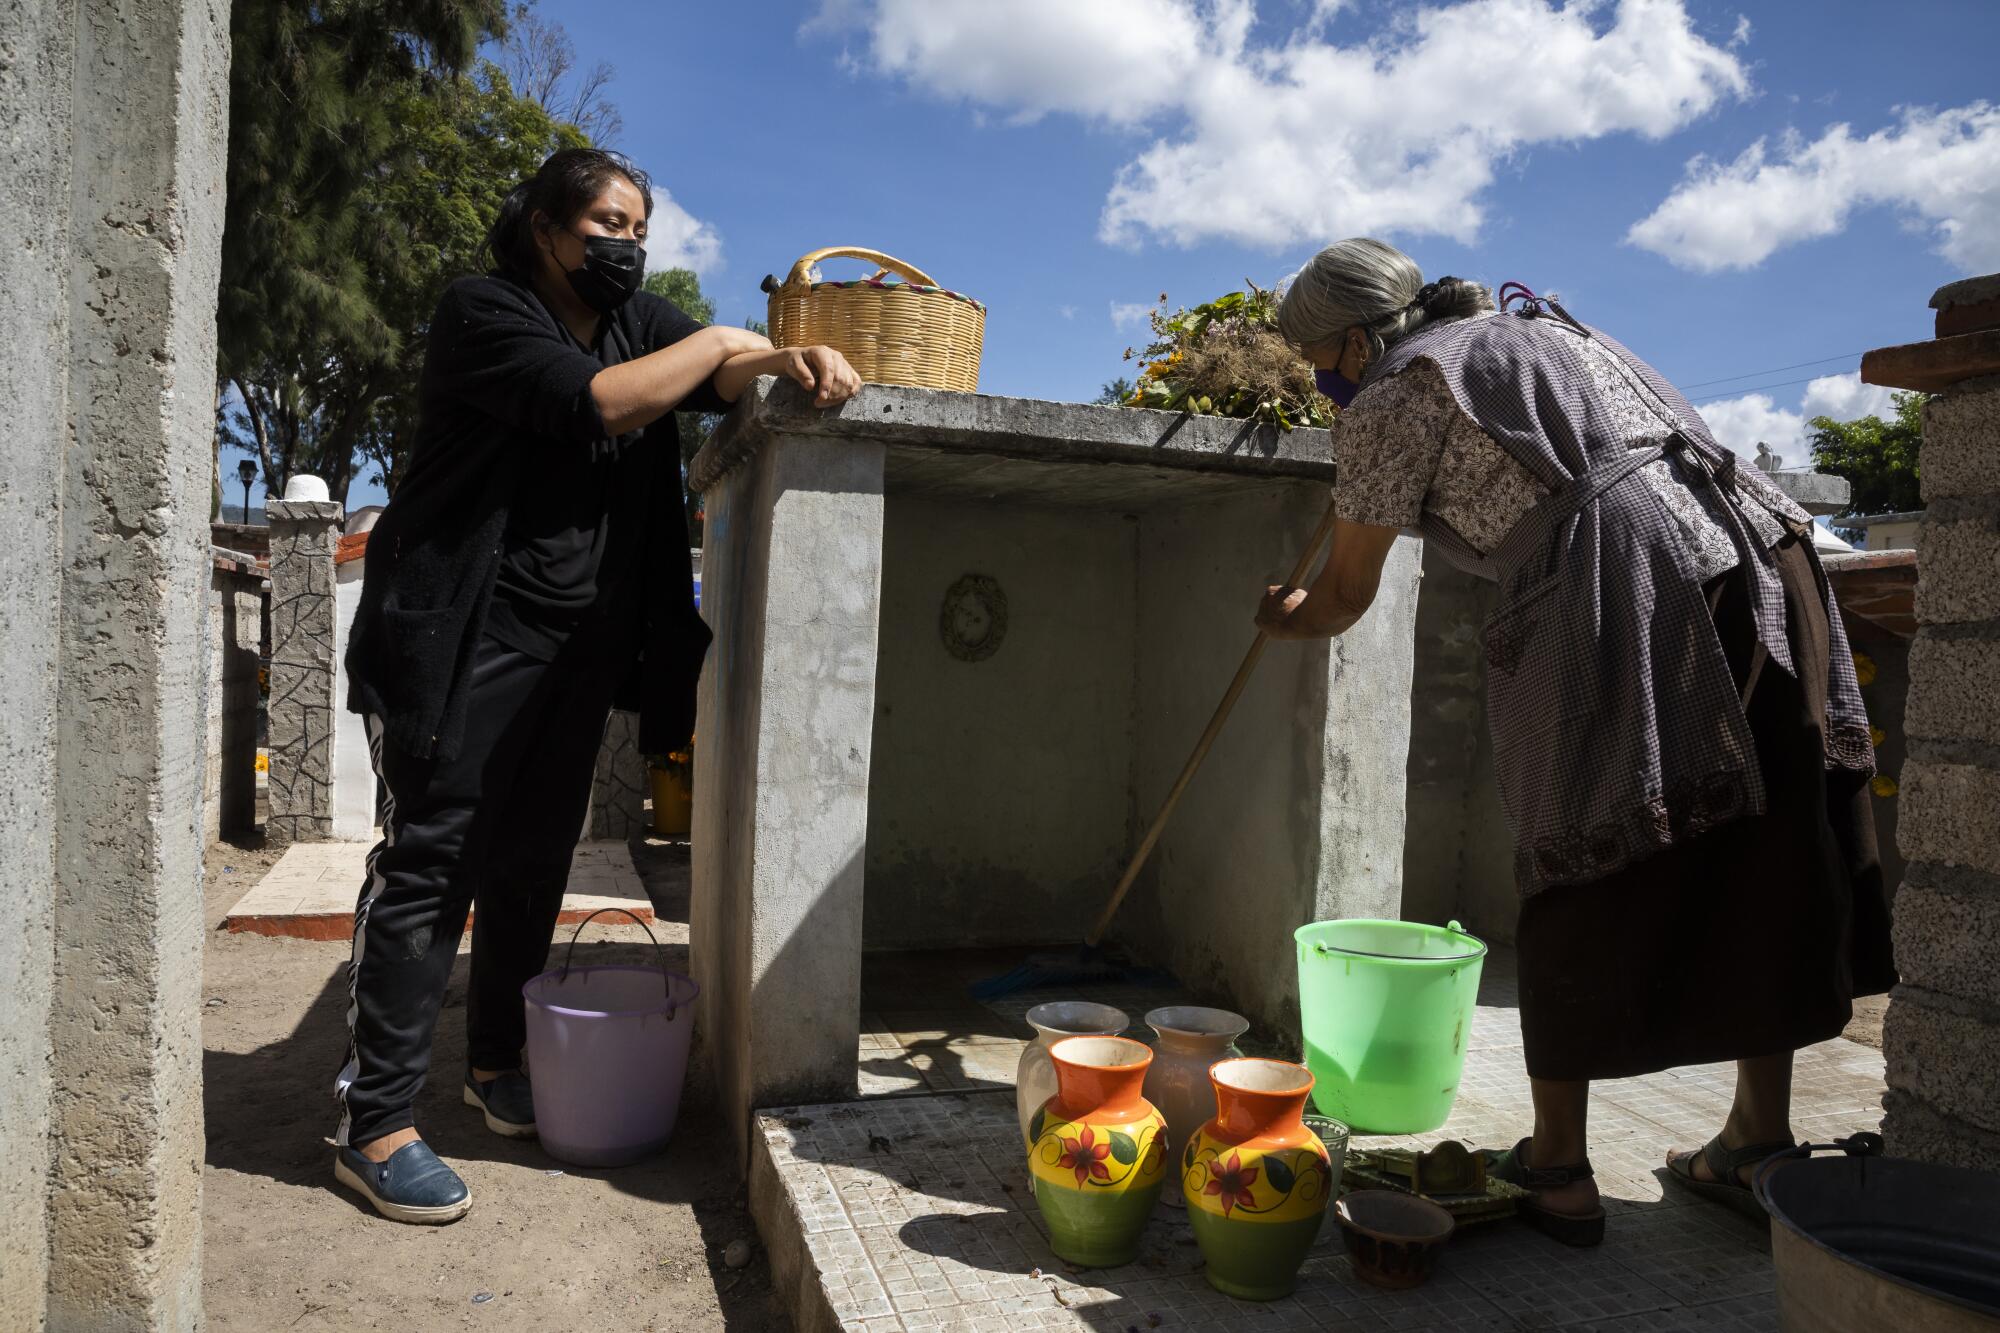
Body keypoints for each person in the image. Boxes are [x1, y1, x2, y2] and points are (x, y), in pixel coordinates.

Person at [1257, 239, 1894, 1246]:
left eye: (1311, 360)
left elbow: (1341, 595)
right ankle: (1754, 1140)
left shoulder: (1389, 394)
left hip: (1626, 585)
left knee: (1581, 832)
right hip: (1759, 560)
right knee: (1760, 837)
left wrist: (1282, 612)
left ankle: (1555, 1162)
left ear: (1346, 338)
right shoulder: (1537, 330)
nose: (1317, 380)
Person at [332, 148, 861, 1223]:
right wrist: (726, 338)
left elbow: (715, 377)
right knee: (436, 859)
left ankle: (492, 1068)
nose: (625, 247)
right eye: (605, 227)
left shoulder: (638, 319)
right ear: (544, 229)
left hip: (577, 643)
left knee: (532, 861)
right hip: (466, 631)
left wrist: (785, 359)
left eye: (639, 231)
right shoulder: (485, 312)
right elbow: (599, 404)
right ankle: (374, 1123)